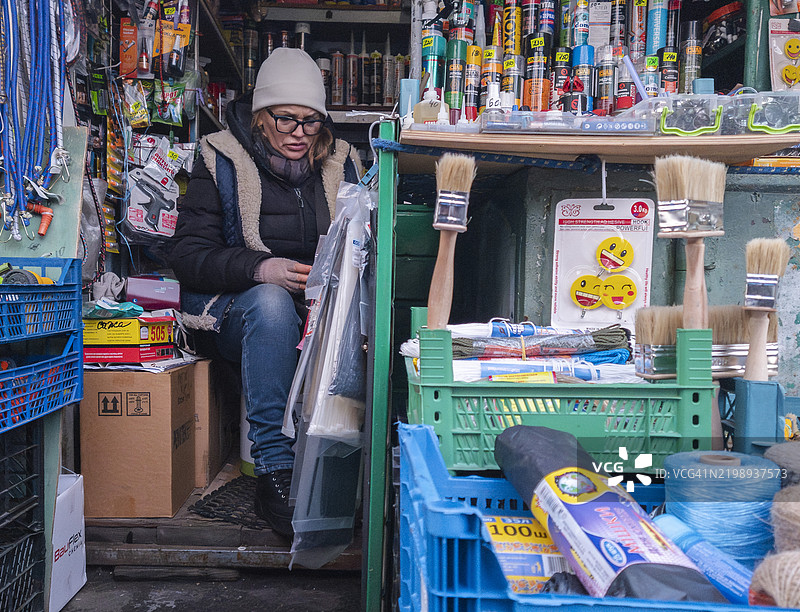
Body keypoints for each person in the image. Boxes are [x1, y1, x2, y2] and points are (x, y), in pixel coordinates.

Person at [169, 48, 363, 539]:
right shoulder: (220, 157)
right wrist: (261, 268)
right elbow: (188, 256)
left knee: (356, 315)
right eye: (286, 119)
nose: (300, 132)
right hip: (234, 310)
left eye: (312, 122)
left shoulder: (344, 162)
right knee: (273, 305)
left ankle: (344, 464)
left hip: (317, 314)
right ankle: (275, 469)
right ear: (261, 116)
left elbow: (369, 241)